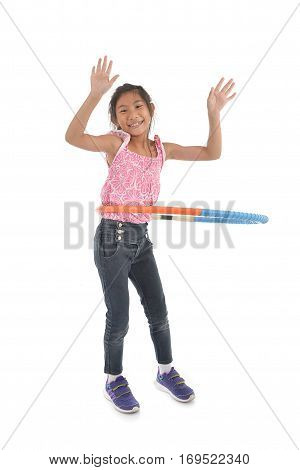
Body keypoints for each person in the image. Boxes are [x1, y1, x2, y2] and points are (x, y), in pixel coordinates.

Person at [65, 55, 236, 414]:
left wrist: (213, 111)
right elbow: (73, 136)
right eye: (123, 110)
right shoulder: (117, 145)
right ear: (116, 121)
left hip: (140, 238)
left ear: (150, 109)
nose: (132, 115)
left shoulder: (162, 149)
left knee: (158, 310)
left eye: (138, 106)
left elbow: (212, 153)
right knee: (120, 318)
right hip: (112, 238)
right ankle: (113, 380)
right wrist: (96, 94)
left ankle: (166, 371)